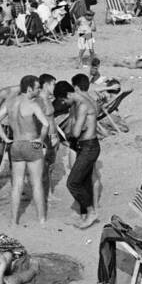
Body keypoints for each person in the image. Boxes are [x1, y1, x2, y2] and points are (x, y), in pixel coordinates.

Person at [0, 75, 54, 227]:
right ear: (29, 89)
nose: (38, 90)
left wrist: (5, 139)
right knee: (36, 184)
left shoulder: (10, 103)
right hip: (31, 144)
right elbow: (46, 124)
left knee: (17, 185)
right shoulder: (32, 104)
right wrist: (41, 139)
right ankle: (41, 219)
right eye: (36, 88)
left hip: (16, 144)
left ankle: (14, 221)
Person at [56, 76, 101, 229]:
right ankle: (86, 216)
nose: (64, 104)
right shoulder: (79, 102)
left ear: (68, 95)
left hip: (89, 146)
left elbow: (75, 132)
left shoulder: (82, 105)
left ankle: (91, 212)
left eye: (63, 100)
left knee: (72, 183)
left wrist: (65, 135)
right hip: (85, 146)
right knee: (84, 181)